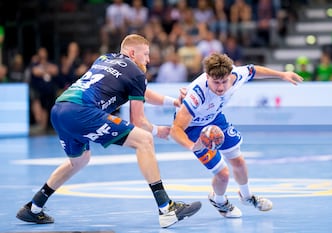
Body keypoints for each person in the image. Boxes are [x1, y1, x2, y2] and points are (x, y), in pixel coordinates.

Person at [16, 34, 201, 228]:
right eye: (145, 54)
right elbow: (138, 121)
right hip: (82, 111)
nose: (148, 59)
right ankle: (166, 208)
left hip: (60, 109)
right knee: (144, 140)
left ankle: (34, 207)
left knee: (79, 160)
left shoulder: (105, 59)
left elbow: (142, 92)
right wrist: (157, 130)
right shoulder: (136, 73)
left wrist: (173, 102)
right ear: (132, 53)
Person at [169, 52, 303, 218]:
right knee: (223, 175)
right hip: (194, 127)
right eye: (215, 82)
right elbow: (175, 129)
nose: (220, 87)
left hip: (215, 119)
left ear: (230, 75)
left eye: (224, 82)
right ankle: (219, 200)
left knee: (238, 161)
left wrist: (282, 75)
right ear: (207, 77)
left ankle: (247, 197)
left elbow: (253, 70)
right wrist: (193, 146)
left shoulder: (236, 75)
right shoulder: (197, 95)